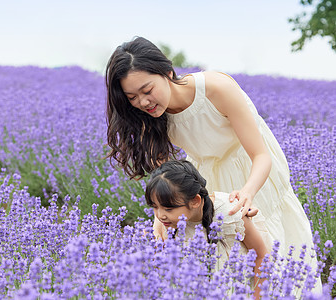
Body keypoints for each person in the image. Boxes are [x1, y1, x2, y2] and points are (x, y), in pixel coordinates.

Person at [105, 36, 321, 292]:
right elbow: (168, 177)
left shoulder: (216, 89)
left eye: (147, 90)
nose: (143, 102)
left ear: (167, 72)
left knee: (270, 247)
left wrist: (248, 193)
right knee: (225, 263)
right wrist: (160, 220)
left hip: (252, 172)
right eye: (132, 97)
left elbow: (261, 155)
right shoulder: (147, 117)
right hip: (206, 179)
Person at [146, 159, 269, 299]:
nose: (160, 216)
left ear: (195, 201)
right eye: (155, 207)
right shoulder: (170, 222)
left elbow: (261, 255)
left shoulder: (228, 214)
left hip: (236, 288)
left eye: (168, 209)